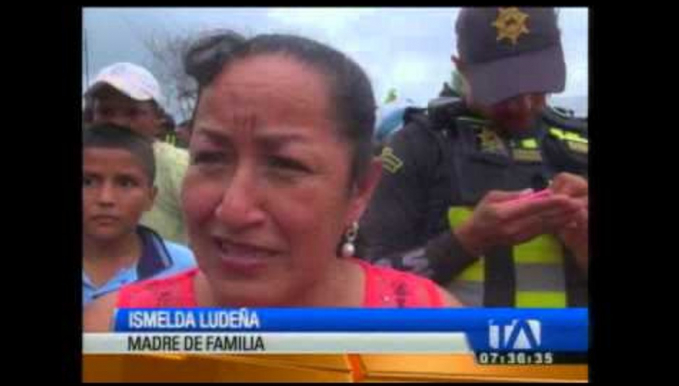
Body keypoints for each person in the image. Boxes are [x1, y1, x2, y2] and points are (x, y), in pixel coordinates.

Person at [83, 32, 462, 330]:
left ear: (360, 188)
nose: (233, 209)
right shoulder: (113, 334)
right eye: (211, 158)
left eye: (285, 165)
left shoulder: (436, 333)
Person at [360, 7, 588, 307]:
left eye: (537, 83)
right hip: (455, 354)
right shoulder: (416, 146)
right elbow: (366, 287)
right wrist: (468, 240)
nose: (524, 104)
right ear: (462, 68)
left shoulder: (580, 140)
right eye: (504, 89)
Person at [83, 123, 196, 307]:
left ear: (150, 198)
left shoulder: (185, 268)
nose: (106, 198)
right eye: (87, 182)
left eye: (125, 183)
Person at [84, 62, 189, 245]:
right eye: (106, 111)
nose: (118, 122)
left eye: (132, 112)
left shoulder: (180, 167)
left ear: (158, 118)